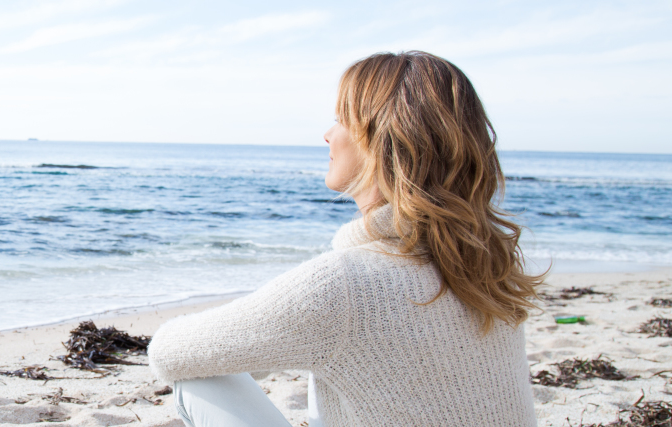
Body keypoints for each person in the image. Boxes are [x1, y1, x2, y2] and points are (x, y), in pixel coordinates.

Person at [147, 51, 542, 427]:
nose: (327, 134)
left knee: (201, 379)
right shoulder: (491, 265)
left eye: (341, 119)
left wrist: (275, 330)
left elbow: (169, 353)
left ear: (381, 139)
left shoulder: (347, 284)